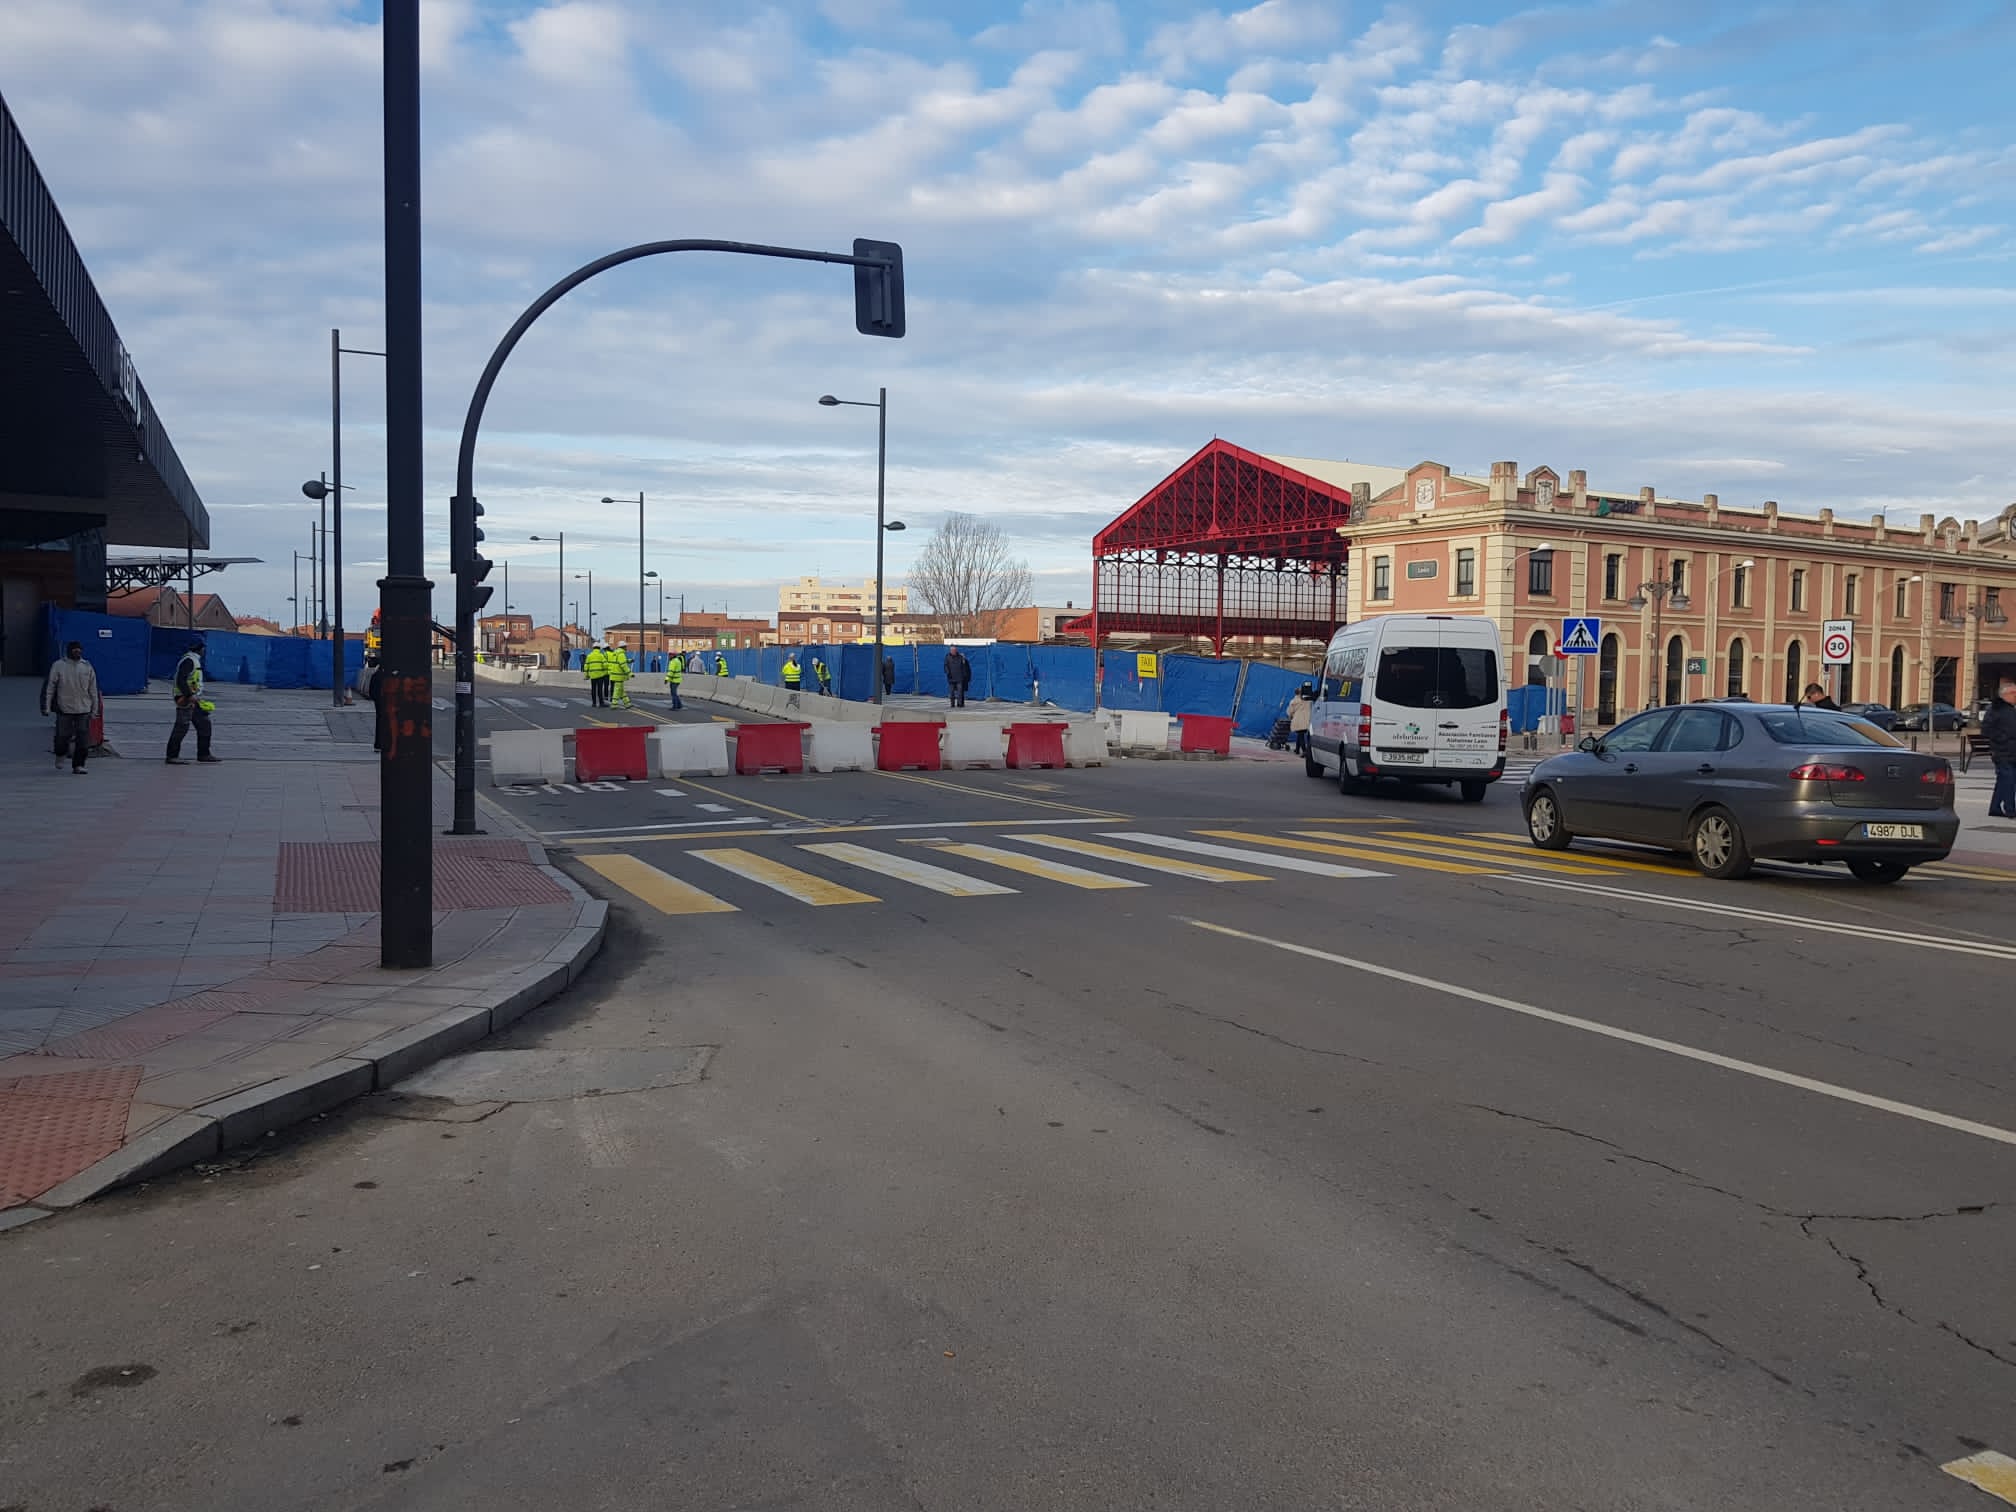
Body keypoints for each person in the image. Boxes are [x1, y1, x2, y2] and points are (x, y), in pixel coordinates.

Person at [42, 640, 99, 775]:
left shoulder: (87, 667)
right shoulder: (58, 666)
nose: (77, 652)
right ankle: (60, 754)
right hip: (64, 708)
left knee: (83, 739)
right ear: (69, 651)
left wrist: (94, 709)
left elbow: (93, 690)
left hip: (84, 709)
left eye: (79, 650)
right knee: (62, 736)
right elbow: (50, 687)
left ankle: (79, 765)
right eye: (74, 650)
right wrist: (47, 707)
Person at [165, 637, 221, 764]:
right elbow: (181, 680)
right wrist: (189, 695)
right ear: (199, 648)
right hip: (185, 700)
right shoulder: (189, 661)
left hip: (192, 699)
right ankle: (172, 756)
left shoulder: (193, 660)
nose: (204, 650)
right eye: (203, 647)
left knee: (204, 725)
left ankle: (204, 754)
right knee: (181, 727)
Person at [1984, 681, 2016, 818]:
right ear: (2005, 694)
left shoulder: (2010, 709)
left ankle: (1995, 807)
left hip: (2011, 751)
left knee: (2004, 780)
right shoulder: (1996, 709)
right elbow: (1987, 730)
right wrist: (2004, 739)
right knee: (2009, 780)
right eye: (2014, 693)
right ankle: (2010, 809)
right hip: (2003, 751)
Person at [1289, 682, 1315, 758]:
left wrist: (1290, 716)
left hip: (1298, 720)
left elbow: (1290, 711)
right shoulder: (1308, 700)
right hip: (1306, 720)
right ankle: (1297, 749)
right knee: (1300, 734)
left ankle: (1304, 751)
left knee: (1300, 735)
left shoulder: (1294, 701)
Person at [583, 642, 608, 706]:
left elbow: (586, 666)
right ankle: (601, 703)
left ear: (593, 648)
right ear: (599, 648)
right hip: (600, 675)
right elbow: (605, 665)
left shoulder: (589, 656)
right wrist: (604, 672)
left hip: (593, 675)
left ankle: (594, 703)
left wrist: (586, 675)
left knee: (593, 689)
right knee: (600, 689)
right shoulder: (601, 655)